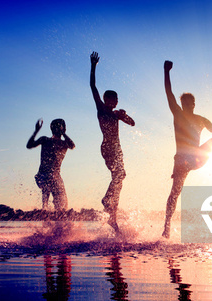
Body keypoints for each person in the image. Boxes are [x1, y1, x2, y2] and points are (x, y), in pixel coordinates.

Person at [161, 60, 212, 239]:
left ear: (194, 104)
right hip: (181, 161)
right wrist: (166, 71)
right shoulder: (177, 113)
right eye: (185, 103)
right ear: (182, 104)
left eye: (191, 103)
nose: (188, 106)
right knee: (175, 193)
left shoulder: (201, 119)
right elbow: (168, 93)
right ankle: (167, 227)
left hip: (196, 158)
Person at [89, 51, 136, 233]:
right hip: (107, 147)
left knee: (120, 177)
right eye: (112, 99)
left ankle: (112, 216)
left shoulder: (117, 114)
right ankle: (106, 201)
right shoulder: (101, 108)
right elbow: (92, 86)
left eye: (116, 100)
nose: (114, 101)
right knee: (118, 176)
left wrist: (125, 115)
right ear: (106, 99)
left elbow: (133, 124)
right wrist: (93, 66)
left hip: (117, 148)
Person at [27, 118, 75, 211]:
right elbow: (29, 145)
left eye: (60, 127)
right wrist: (36, 131)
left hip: (55, 177)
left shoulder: (64, 144)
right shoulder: (45, 140)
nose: (58, 129)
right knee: (50, 180)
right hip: (43, 176)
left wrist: (64, 133)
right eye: (56, 127)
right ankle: (44, 207)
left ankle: (54, 214)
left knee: (62, 204)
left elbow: (72, 146)